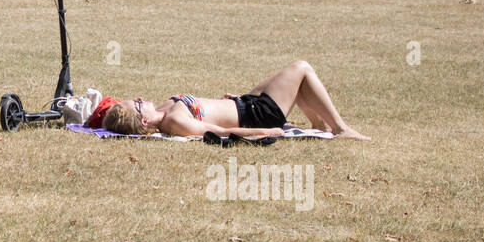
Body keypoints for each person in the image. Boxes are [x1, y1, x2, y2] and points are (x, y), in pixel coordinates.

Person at [99, 60, 369, 140]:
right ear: (144, 120)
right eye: (136, 104)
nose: (140, 98)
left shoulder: (163, 110)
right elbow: (224, 132)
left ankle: (319, 125)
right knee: (302, 69)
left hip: (245, 103)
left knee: (291, 79)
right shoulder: (175, 121)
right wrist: (269, 131)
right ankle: (340, 128)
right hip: (257, 114)